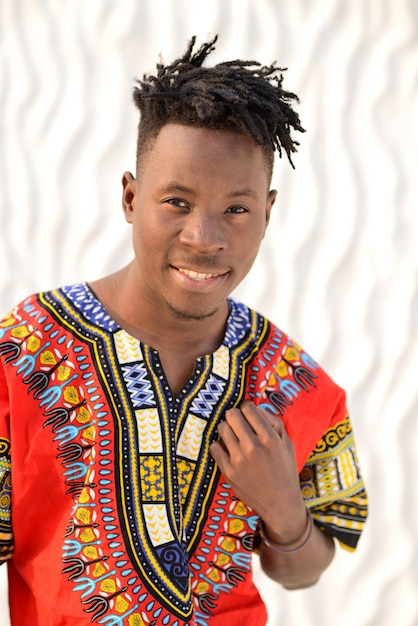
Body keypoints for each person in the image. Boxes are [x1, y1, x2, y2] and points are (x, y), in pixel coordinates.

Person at [0, 36, 367, 625]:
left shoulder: (295, 384)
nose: (205, 237)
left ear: (268, 214)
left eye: (237, 209)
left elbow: (305, 570)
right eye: (176, 201)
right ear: (130, 196)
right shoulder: (22, 356)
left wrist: (282, 508)